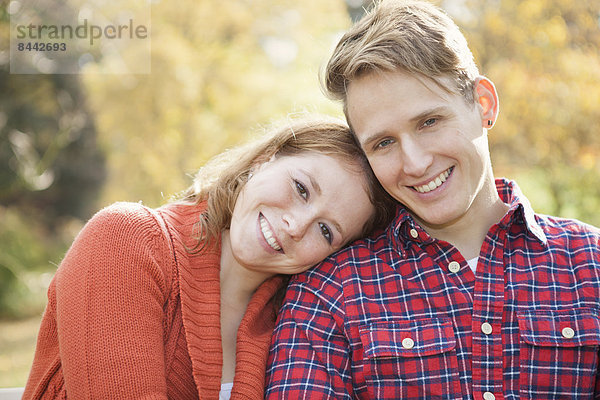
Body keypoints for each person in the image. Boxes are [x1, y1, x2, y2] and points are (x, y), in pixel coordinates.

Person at [266, 1, 600, 399]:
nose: (416, 163)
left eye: (429, 122)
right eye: (384, 143)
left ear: (484, 104)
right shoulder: (328, 295)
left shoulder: (591, 267)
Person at [22, 116, 395, 400]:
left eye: (326, 231)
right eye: (301, 188)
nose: (296, 225)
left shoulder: (291, 322)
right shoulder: (127, 238)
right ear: (263, 161)